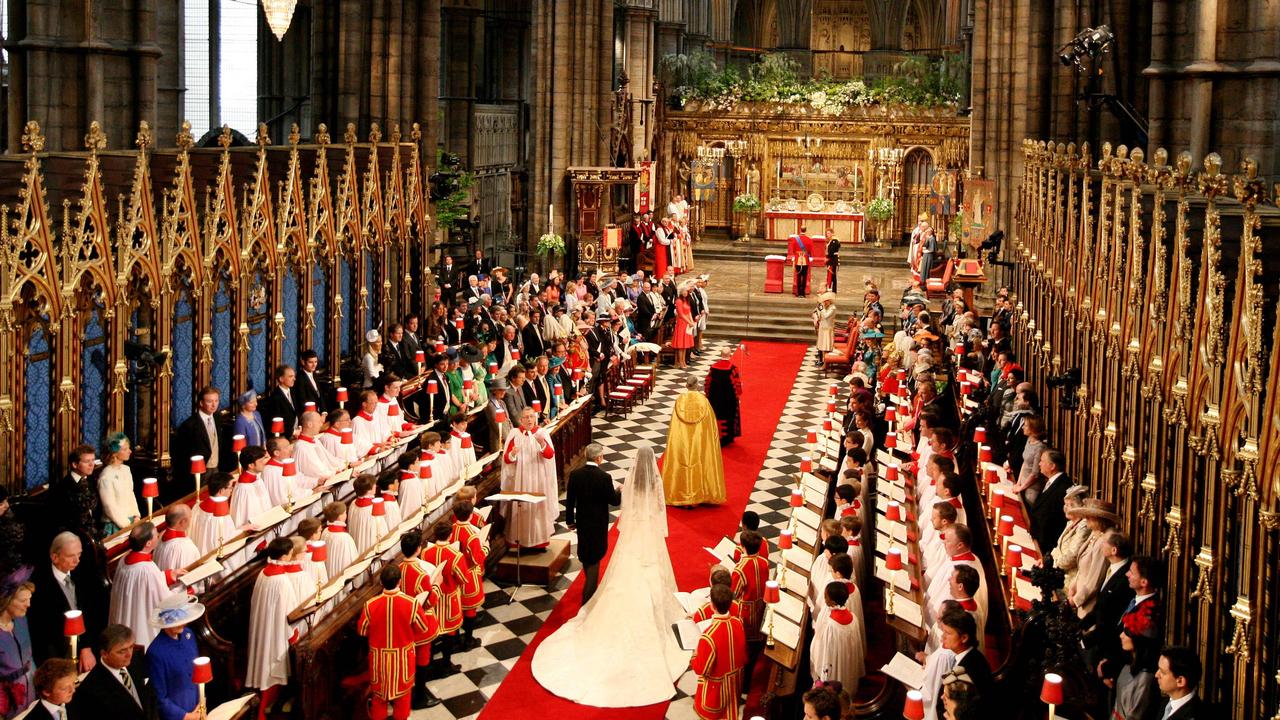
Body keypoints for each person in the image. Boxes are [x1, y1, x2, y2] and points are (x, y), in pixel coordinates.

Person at [532, 447, 689, 707]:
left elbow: (621, 507)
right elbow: (656, 511)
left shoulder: (606, 480)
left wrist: (621, 492)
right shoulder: (650, 484)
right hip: (647, 534)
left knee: (616, 571)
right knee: (647, 570)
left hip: (627, 534)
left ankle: (593, 593)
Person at [358, 565, 434, 720]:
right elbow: (423, 627)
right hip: (402, 661)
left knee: (379, 700)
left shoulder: (370, 604)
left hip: (379, 660)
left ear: (381, 583)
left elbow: (362, 631)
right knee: (402, 701)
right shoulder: (411, 603)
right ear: (400, 582)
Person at [29, 532, 105, 670]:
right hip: (58, 653)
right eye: (71, 556)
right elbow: (44, 630)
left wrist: (86, 647)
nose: (77, 560)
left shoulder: (84, 572)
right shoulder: (39, 586)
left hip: (88, 647)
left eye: (79, 554)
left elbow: (92, 612)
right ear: (54, 557)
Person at [246, 538, 301, 720]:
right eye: (290, 553)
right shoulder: (282, 581)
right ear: (285, 556)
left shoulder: (263, 573)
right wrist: (293, 635)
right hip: (276, 629)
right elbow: (290, 612)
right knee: (272, 666)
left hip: (264, 625)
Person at [110, 523, 184, 647]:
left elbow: (140, 584)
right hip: (141, 621)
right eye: (156, 535)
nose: (159, 535)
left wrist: (168, 575)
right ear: (148, 543)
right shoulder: (147, 569)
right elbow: (165, 599)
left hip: (126, 615)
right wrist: (185, 591)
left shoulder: (124, 559)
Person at [564, 443, 620, 605]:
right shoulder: (604, 477)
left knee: (586, 554)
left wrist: (570, 521)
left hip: (582, 522)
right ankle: (587, 602)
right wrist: (619, 491)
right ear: (598, 458)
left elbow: (570, 501)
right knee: (595, 557)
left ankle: (590, 593)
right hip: (598, 524)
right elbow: (614, 501)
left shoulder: (575, 475)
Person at [69, 624, 158, 720]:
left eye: (131, 647)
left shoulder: (135, 660)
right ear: (104, 654)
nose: (129, 654)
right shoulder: (91, 689)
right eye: (122, 651)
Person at [500, 408, 558, 551]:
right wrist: (512, 454)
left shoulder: (542, 433)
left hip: (539, 478)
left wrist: (542, 444)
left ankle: (540, 541)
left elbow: (550, 455)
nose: (529, 420)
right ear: (521, 420)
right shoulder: (515, 434)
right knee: (522, 508)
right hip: (521, 479)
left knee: (539, 508)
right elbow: (507, 460)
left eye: (532, 416)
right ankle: (520, 541)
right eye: (526, 417)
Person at [662, 376, 726, 507]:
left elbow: (675, 424)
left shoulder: (680, 401)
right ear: (697, 385)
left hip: (683, 440)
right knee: (701, 462)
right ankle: (701, 494)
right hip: (699, 439)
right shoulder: (704, 401)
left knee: (683, 464)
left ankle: (681, 494)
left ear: (687, 386)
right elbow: (710, 424)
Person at [691, 584, 747, 720]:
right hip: (735, 686)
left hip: (716, 693)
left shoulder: (708, 635)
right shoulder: (737, 622)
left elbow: (701, 669)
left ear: (712, 605)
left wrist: (694, 654)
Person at [144, 595, 203, 720]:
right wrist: (186, 716)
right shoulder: (156, 652)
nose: (182, 623)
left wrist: (201, 702)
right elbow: (160, 698)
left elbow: (197, 672)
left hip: (198, 708)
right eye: (176, 621)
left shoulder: (189, 635)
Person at [809, 581, 864, 697]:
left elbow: (824, 650)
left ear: (833, 602)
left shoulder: (830, 625)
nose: (824, 599)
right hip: (847, 661)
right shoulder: (853, 618)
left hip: (834, 662)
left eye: (826, 597)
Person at [172, 387, 225, 494]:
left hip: (216, 467)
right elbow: (181, 454)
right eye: (209, 401)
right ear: (201, 403)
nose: (214, 405)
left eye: (216, 401)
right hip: (199, 471)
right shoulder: (189, 425)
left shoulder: (218, 417)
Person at [0, 570, 34, 720]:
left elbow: (30, 659)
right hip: (8, 704)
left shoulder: (21, 620)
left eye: (29, 599)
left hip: (32, 693)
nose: (28, 604)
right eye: (23, 600)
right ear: (6, 600)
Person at [1028, 448, 1072, 555]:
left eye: (1042, 461)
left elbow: (1053, 519)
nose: (1039, 464)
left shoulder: (1063, 488)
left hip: (1045, 546)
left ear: (1052, 466)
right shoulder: (1051, 481)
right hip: (1037, 538)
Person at [98, 432, 140, 536]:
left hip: (132, 522)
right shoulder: (106, 476)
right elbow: (109, 506)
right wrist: (126, 525)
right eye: (125, 449)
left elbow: (131, 494)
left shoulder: (126, 470)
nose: (130, 451)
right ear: (115, 453)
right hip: (116, 525)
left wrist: (136, 516)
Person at [704, 348, 742, 446]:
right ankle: (727, 439)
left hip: (715, 399)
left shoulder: (713, 367)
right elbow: (737, 385)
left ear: (721, 354)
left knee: (716, 416)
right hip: (728, 400)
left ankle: (715, 436)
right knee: (728, 416)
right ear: (730, 354)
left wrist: (708, 396)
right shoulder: (733, 368)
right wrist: (738, 395)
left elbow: (707, 383)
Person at [1155, 646, 1203, 719]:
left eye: (1162, 672)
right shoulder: (1165, 703)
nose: (1156, 675)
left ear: (1180, 681)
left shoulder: (1193, 715)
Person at [154, 505, 199, 574]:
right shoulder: (185, 547)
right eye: (190, 517)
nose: (191, 520)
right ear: (183, 522)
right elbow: (190, 575)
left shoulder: (161, 534)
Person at [261, 365, 302, 439]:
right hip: (284, 437)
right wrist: (293, 432)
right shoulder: (275, 398)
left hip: (297, 433)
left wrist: (299, 427)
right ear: (281, 379)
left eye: (294, 376)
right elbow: (277, 422)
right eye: (290, 376)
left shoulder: (294, 392)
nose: (294, 379)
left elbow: (297, 412)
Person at [671, 284, 696, 369]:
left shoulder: (686, 300)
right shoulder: (679, 301)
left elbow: (689, 312)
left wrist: (692, 321)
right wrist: (689, 322)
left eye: (686, 291)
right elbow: (681, 314)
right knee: (681, 345)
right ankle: (680, 362)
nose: (685, 293)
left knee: (685, 345)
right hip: (681, 323)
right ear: (681, 292)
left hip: (687, 323)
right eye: (684, 291)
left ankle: (684, 361)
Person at [787, 226, 812, 297]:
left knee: (798, 276)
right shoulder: (809, 240)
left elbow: (793, 250)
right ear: (805, 230)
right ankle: (803, 293)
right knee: (804, 277)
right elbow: (810, 251)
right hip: (805, 260)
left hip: (798, 259)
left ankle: (798, 292)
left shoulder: (795, 239)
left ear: (800, 230)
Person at [813, 291, 837, 367]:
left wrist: (822, 309)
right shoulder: (826, 307)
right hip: (822, 328)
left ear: (829, 300)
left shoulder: (832, 308)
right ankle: (823, 361)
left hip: (827, 329)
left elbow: (826, 316)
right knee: (823, 347)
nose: (824, 303)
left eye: (826, 301)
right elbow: (821, 316)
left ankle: (826, 363)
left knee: (826, 347)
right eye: (824, 301)